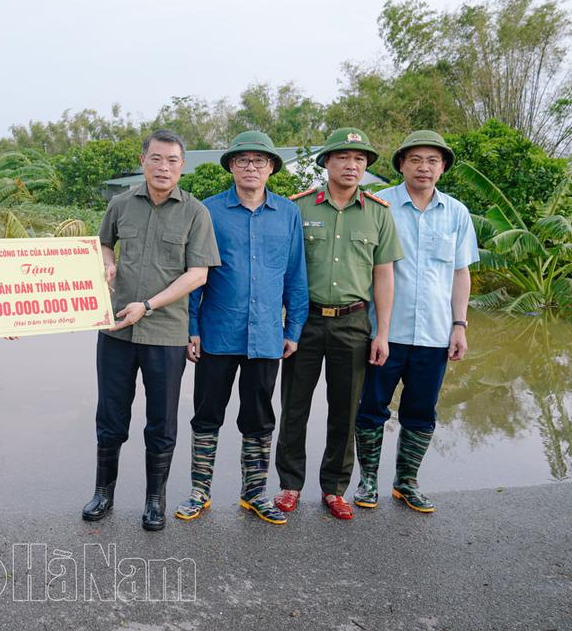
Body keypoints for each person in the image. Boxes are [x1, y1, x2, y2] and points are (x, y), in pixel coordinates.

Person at [82, 128, 219, 531]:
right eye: (156, 158)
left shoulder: (196, 212)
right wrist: (106, 263)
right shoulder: (121, 204)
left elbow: (198, 275)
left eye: (172, 160)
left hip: (165, 334)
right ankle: (103, 493)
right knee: (110, 413)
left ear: (182, 166)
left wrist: (148, 305)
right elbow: (103, 243)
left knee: (161, 420)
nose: (163, 167)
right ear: (143, 161)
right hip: (116, 330)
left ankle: (154, 499)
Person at [174, 131, 308, 525]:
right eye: (243, 160)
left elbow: (295, 275)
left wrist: (294, 328)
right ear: (231, 166)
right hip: (218, 332)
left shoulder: (288, 214)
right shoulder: (208, 211)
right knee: (207, 414)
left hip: (267, 336)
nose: (251, 167)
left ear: (271, 168)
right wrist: (191, 326)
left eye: (260, 160)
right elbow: (195, 274)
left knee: (260, 417)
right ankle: (200, 490)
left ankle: (254, 492)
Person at [274, 127, 403, 521]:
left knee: (345, 410)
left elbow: (384, 275)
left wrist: (382, 332)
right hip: (305, 321)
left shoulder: (378, 213)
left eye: (360, 159)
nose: (352, 165)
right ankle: (290, 485)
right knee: (294, 406)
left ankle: (334, 488)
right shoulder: (299, 208)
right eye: (343, 158)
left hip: (353, 323)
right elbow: (284, 269)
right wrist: (283, 325)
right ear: (326, 162)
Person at [353, 130, 477, 513]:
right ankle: (368, 481)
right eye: (416, 160)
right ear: (402, 164)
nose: (424, 167)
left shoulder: (456, 212)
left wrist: (460, 324)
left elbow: (460, 273)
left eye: (433, 161)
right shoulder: (379, 205)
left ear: (442, 168)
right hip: (383, 333)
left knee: (421, 411)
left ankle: (406, 482)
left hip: (435, 334)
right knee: (372, 408)